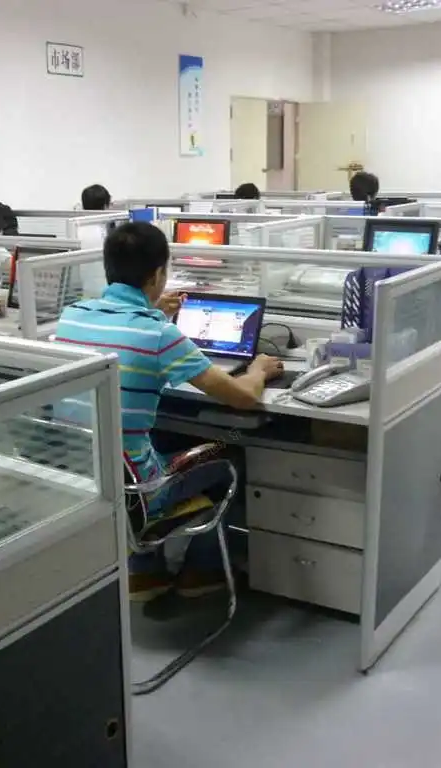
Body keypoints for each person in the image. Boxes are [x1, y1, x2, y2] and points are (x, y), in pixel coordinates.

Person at [55, 222, 283, 601]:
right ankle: (202, 571)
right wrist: (258, 369)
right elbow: (243, 397)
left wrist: (152, 309)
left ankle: (145, 574)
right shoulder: (159, 334)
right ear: (158, 274)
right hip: (140, 494)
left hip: (86, 477)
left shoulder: (73, 316)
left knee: (157, 435)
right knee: (233, 454)